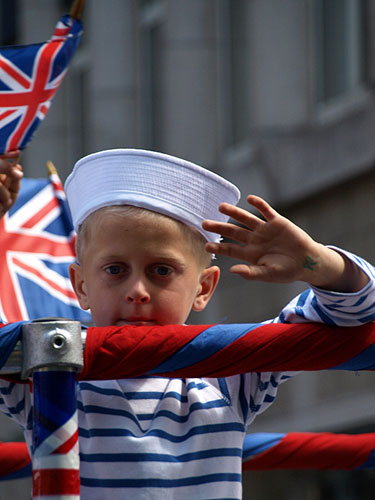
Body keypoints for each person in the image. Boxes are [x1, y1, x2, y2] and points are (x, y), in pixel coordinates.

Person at [0, 149, 374, 500]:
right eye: (115, 270)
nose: (137, 291)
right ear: (81, 286)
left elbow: (355, 310)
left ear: (204, 287)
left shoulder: (227, 373)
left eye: (161, 271)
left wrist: (318, 263)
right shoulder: (45, 369)